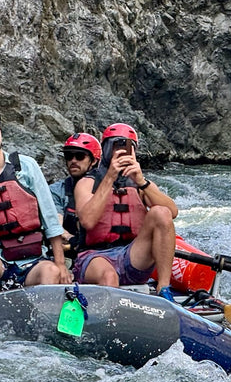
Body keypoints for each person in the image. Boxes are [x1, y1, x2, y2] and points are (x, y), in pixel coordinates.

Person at [0, 108, 72, 300]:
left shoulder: (27, 166)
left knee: (51, 271)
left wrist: (61, 264)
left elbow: (50, 219)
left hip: (34, 261)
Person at [73, 123, 179, 300]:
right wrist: (110, 177)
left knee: (161, 212)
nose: (120, 152)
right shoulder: (87, 183)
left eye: (127, 146)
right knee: (109, 276)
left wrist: (141, 181)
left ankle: (164, 288)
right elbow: (87, 221)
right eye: (115, 145)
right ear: (106, 149)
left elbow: (172, 212)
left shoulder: (141, 185)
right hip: (94, 256)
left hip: (132, 255)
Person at [49, 133, 102, 252]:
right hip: (71, 251)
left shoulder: (106, 188)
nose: (73, 161)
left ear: (93, 161)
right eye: (69, 156)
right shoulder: (57, 190)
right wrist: (72, 239)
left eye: (79, 156)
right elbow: (55, 225)